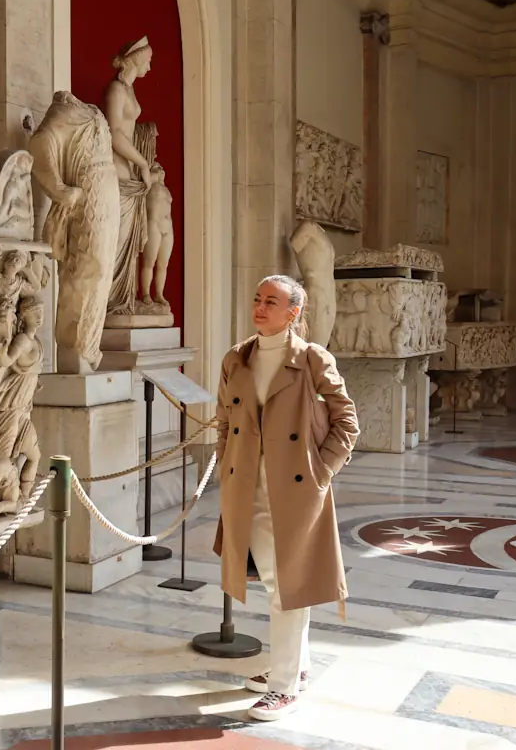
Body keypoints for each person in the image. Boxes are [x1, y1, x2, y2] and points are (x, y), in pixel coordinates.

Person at [212, 274, 359, 721]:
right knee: (276, 583)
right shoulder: (236, 358)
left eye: (271, 301)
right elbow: (223, 422)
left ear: (293, 312)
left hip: (294, 491)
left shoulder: (313, 359)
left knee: (288, 587)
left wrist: (321, 471)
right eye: (257, 299)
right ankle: (295, 665)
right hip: (246, 489)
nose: (260, 307)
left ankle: (284, 687)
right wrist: (226, 465)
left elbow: (346, 422)